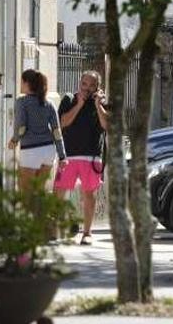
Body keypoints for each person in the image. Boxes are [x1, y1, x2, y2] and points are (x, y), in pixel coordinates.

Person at [54, 70, 109, 245]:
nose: (87, 88)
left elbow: (107, 124)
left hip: (91, 156)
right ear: (79, 83)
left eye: (92, 85)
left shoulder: (102, 102)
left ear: (97, 87)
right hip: (68, 155)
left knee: (89, 194)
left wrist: (99, 105)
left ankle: (87, 232)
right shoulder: (69, 99)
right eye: (84, 84)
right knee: (59, 192)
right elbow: (62, 123)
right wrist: (79, 104)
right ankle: (56, 228)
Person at [8, 69, 66, 198]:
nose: (20, 85)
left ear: (27, 83)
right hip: (48, 151)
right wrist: (62, 156)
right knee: (39, 192)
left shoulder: (22, 102)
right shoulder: (49, 104)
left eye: (22, 82)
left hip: (30, 150)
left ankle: (31, 218)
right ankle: (40, 217)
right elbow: (57, 132)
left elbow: (21, 127)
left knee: (26, 193)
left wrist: (14, 140)